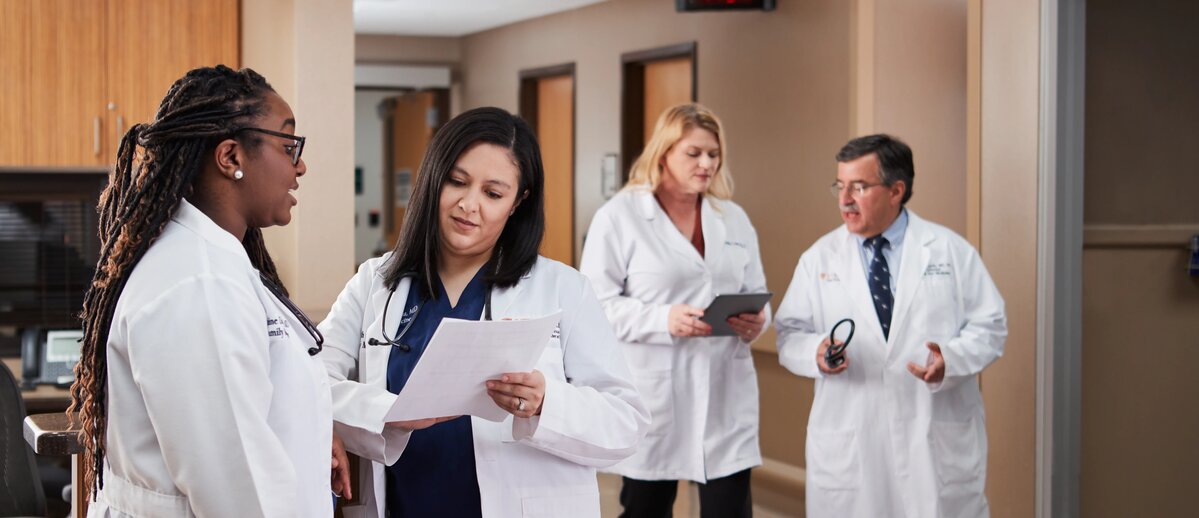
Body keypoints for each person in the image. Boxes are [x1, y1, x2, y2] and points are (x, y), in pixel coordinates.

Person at [319, 107, 650, 518]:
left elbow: (626, 424)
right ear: (433, 178)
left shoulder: (564, 289)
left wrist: (547, 401)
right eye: (456, 182)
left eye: (493, 194)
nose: (468, 205)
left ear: (518, 202)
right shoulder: (376, 282)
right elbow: (309, 381)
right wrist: (387, 412)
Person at [69, 65, 346, 516]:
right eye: (288, 144)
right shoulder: (199, 284)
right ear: (231, 157)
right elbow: (239, 492)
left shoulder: (214, 262)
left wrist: (314, 434)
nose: (300, 165)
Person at [775, 134, 1007, 517]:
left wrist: (952, 359)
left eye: (859, 187)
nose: (844, 199)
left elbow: (991, 324)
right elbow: (789, 334)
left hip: (933, 439)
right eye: (840, 185)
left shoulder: (948, 251)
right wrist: (815, 351)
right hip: (853, 443)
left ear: (896, 190)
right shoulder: (819, 258)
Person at [579, 103, 769, 518]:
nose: (707, 164)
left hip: (725, 392)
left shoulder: (732, 218)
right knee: (647, 509)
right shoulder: (620, 216)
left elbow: (756, 290)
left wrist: (756, 321)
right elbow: (594, 306)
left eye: (714, 154)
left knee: (731, 510)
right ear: (663, 153)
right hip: (656, 393)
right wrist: (662, 319)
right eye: (694, 153)